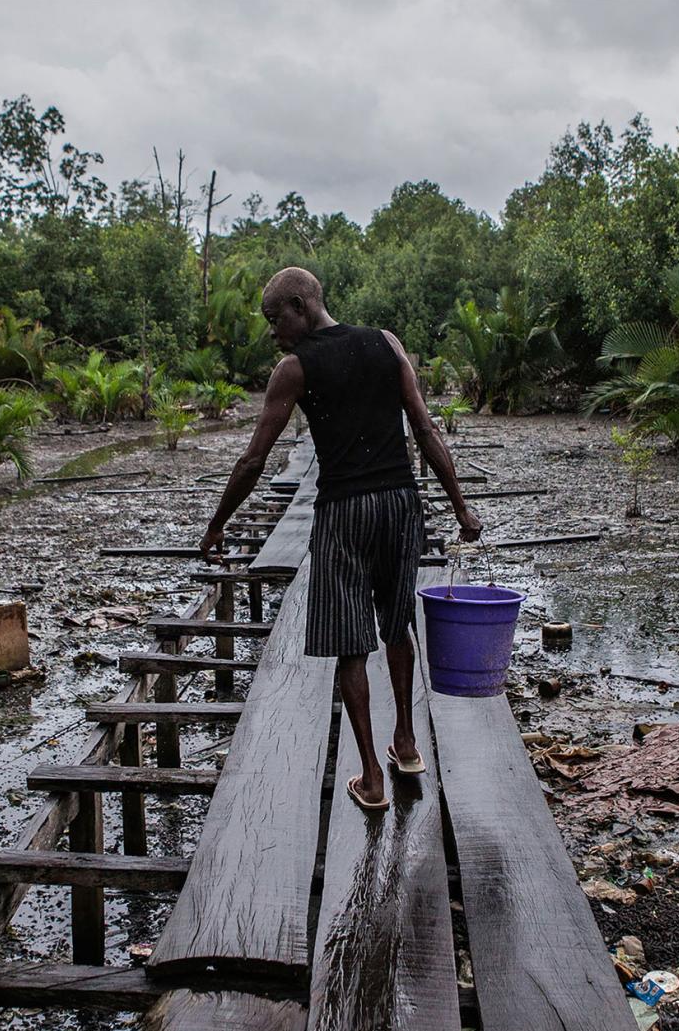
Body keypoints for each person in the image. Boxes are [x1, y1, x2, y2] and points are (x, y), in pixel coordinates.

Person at [199, 267, 481, 812]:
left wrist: (217, 525)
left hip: (344, 511)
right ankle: (406, 743)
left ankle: (372, 777)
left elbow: (255, 457)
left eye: (275, 319)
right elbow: (425, 430)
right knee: (397, 626)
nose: (273, 332)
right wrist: (461, 508)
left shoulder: (295, 368)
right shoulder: (387, 344)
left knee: (352, 646)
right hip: (400, 506)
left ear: (301, 306)